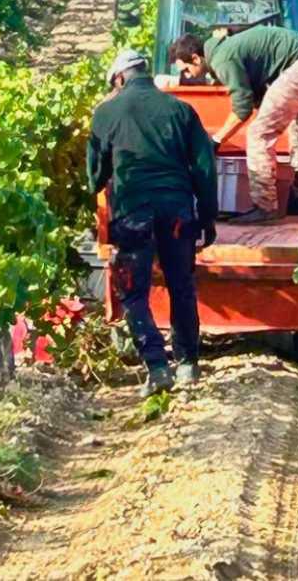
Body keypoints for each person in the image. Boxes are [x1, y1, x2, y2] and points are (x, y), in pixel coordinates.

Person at [88, 48, 218, 394]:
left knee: (134, 293)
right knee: (181, 286)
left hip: (133, 215)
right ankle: (188, 365)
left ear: (118, 79)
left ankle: (158, 366)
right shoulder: (181, 111)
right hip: (177, 213)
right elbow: (205, 169)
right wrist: (208, 218)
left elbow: (95, 176)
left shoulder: (106, 113)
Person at [169, 28, 298, 225]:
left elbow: (242, 109)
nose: (187, 75)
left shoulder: (222, 59)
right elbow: (255, 96)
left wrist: (216, 140)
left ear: (195, 58)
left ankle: (265, 206)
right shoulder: (226, 49)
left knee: (258, 134)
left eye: (186, 70)